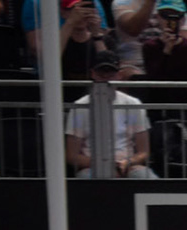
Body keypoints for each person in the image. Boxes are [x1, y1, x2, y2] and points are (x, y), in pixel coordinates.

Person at [65, 49, 156, 177]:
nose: (106, 78)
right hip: (91, 167)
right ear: (93, 74)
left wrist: (127, 162)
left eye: (110, 73)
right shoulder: (79, 107)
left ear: (119, 75)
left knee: (144, 176)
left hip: (128, 166)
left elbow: (144, 151)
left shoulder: (133, 103)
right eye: (101, 73)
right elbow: (71, 155)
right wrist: (101, 164)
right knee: (85, 177)